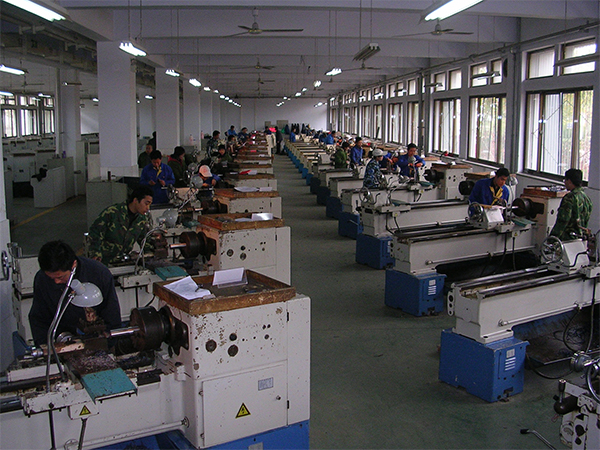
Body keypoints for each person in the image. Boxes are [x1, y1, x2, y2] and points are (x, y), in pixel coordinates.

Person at [29, 241, 121, 346]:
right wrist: (46, 347)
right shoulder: (42, 279)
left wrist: (107, 343)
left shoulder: (98, 273)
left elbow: (112, 315)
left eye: (60, 277)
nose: (56, 282)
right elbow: (39, 319)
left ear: (73, 264)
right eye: (52, 278)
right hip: (61, 342)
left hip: (96, 340)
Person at [88, 185, 154, 265]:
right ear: (135, 200)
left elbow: (144, 240)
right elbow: (95, 233)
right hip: (104, 262)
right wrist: (95, 254)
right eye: (146, 204)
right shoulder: (112, 213)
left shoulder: (141, 220)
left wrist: (154, 249)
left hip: (122, 262)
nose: (147, 208)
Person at [550, 168, 593, 241]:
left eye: (565, 180)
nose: (564, 183)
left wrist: (552, 238)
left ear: (569, 181)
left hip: (568, 239)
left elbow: (562, 221)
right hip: (581, 239)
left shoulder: (569, 198)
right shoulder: (586, 198)